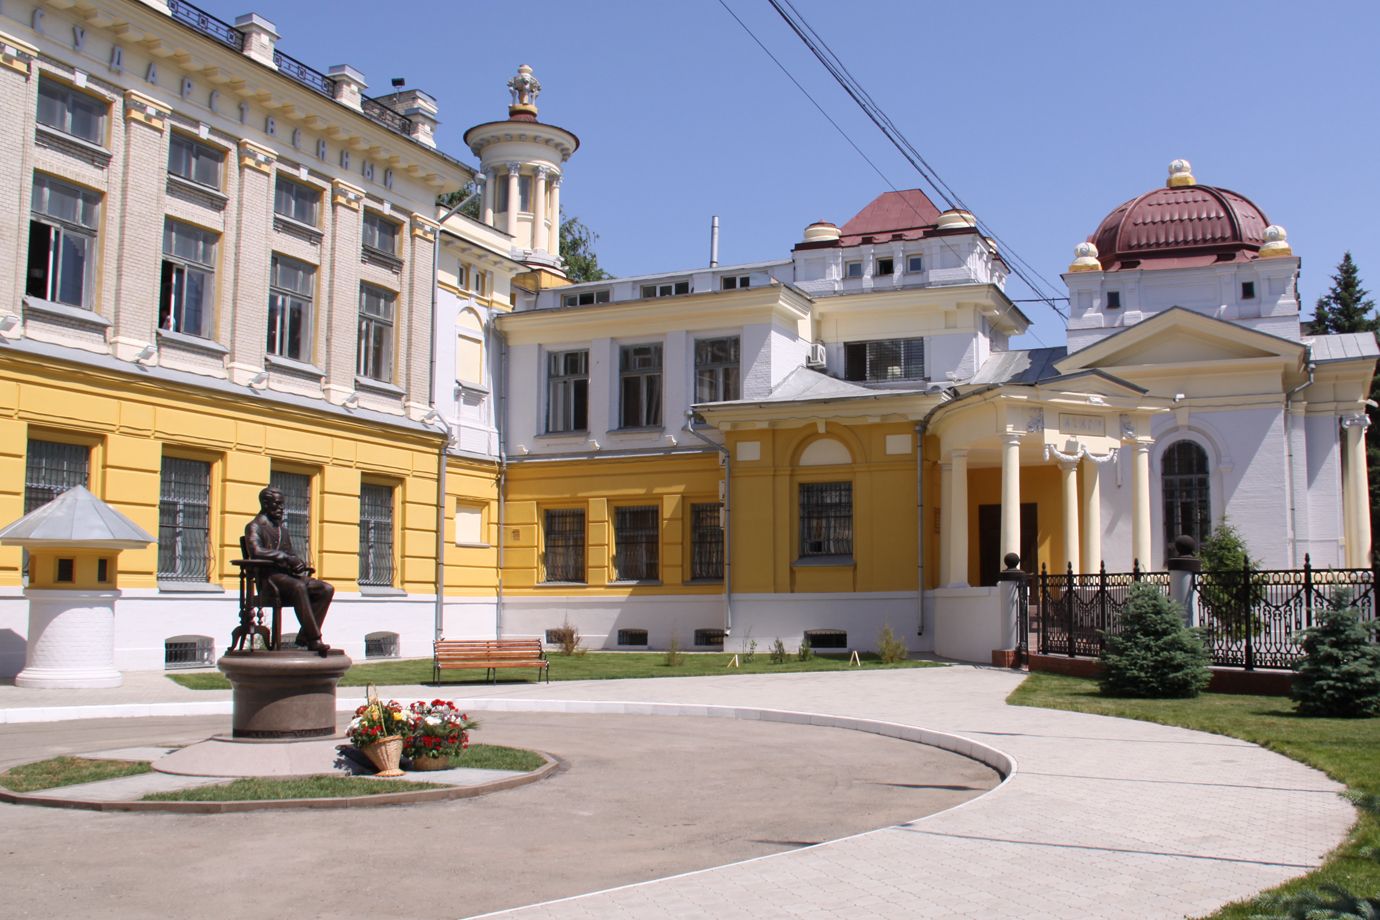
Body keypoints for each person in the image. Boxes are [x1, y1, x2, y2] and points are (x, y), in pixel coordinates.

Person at [244, 486, 334, 653]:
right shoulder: (254, 527)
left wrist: (298, 562)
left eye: (282, 504)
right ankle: (314, 639)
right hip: (269, 579)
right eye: (277, 504)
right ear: (265, 504)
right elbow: (256, 551)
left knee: (326, 589)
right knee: (299, 587)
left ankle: (304, 635)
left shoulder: (281, 530)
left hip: (287, 577)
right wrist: (285, 558)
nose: (281, 508)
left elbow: (290, 553)